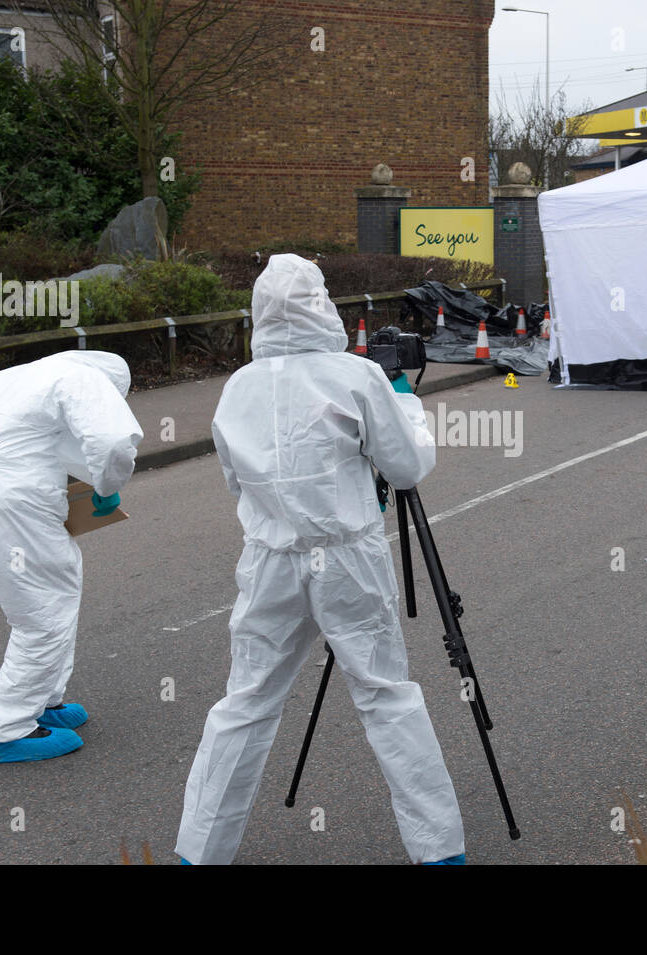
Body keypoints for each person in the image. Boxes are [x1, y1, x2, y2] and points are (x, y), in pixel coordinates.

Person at [175, 254, 465, 865]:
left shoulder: (237, 389)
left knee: (246, 703)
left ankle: (198, 853)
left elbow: (237, 483)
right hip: (347, 558)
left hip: (268, 561)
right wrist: (404, 400)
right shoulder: (355, 377)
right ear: (323, 306)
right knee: (387, 697)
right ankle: (439, 852)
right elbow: (407, 467)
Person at [0, 351, 142, 763]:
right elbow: (112, 441)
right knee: (42, 609)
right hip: (4, 493)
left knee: (54, 586)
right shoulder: (85, 379)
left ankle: (45, 701)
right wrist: (108, 485)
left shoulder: (17, 378)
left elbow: (42, 443)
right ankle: (5, 729)